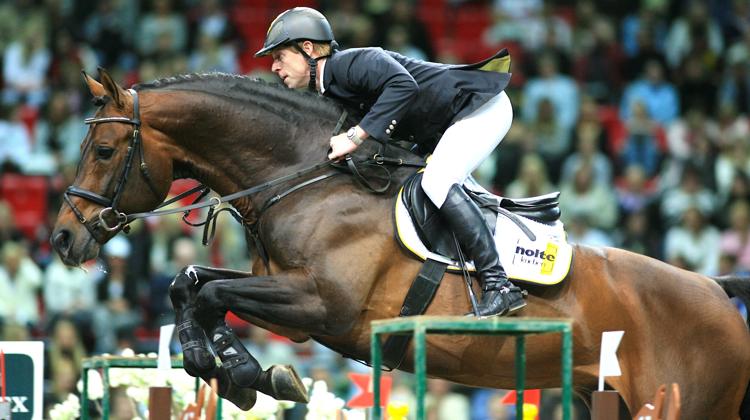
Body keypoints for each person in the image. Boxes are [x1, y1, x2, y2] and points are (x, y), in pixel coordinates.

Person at [255, 7, 524, 317]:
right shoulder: (330, 92)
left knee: (437, 181)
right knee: (415, 187)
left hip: (479, 107)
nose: (274, 67)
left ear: (308, 49)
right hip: (444, 124)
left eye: (279, 57)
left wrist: (355, 136)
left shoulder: (351, 63)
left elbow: (403, 85)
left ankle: (499, 284)